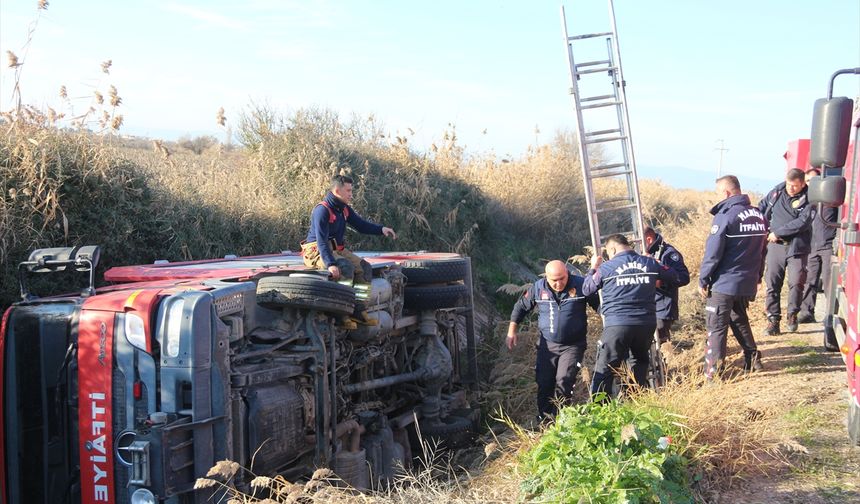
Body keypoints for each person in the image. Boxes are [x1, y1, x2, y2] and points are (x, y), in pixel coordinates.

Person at [582, 234, 679, 398]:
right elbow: (674, 276)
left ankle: (599, 409)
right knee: (639, 362)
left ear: (612, 248)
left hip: (618, 324)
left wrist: (593, 268)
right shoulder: (648, 262)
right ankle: (634, 401)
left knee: (606, 366)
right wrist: (657, 264)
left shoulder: (606, 268)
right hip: (646, 324)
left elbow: (586, 289)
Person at [507, 260, 599, 422]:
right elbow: (520, 307)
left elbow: (599, 306)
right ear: (546, 278)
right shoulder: (538, 287)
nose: (558, 283)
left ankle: (564, 420)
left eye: (562, 278)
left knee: (564, 381)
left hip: (573, 345)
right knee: (544, 382)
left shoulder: (581, 285)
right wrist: (511, 331)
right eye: (554, 280)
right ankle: (545, 420)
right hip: (547, 345)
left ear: (567, 274)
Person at [302, 175, 397, 327]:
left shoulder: (344, 209)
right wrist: (330, 263)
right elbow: (321, 241)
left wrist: (381, 229)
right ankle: (342, 315)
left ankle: (359, 311)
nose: (351, 194)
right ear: (337, 190)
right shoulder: (322, 210)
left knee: (364, 268)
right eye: (348, 191)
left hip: (337, 249)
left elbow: (361, 225)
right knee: (344, 267)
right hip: (317, 251)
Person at [699, 175, 767, 379]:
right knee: (738, 318)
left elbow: (713, 253)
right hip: (746, 281)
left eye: (717, 192)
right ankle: (753, 358)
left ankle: (714, 374)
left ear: (726, 192)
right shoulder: (758, 215)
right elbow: (763, 250)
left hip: (725, 282)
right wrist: (758, 276)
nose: (717, 197)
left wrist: (703, 279)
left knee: (716, 326)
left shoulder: (725, 216)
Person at [757, 168, 815, 334]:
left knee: (796, 282)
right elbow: (762, 209)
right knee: (772, 283)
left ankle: (792, 314)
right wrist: (764, 229)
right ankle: (773, 320)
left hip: (797, 246)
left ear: (803, 184)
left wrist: (778, 232)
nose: (791, 189)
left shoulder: (810, 198)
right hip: (775, 246)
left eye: (795, 186)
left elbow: (802, 222)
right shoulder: (777, 192)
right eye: (789, 185)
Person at [798, 168, 838, 323]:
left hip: (828, 245)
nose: (811, 184)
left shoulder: (831, 197)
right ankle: (806, 312)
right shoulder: (805, 200)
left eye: (814, 180)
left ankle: (831, 316)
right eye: (808, 181)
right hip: (811, 245)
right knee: (809, 280)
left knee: (829, 283)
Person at [643, 226, 690, 345]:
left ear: (648, 239)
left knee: (661, 343)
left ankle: (668, 362)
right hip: (647, 306)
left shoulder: (668, 253)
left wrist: (662, 282)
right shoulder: (645, 253)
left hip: (662, 308)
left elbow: (683, 277)